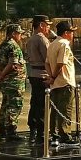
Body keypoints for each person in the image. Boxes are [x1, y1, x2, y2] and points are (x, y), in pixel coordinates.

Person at [45, 21, 79, 145]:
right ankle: (65, 134)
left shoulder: (52, 44)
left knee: (55, 110)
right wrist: (53, 76)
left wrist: (51, 77)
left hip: (56, 83)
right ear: (66, 33)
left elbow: (47, 63)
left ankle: (54, 134)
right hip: (65, 81)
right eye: (71, 32)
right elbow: (61, 63)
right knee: (65, 110)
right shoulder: (64, 44)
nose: (72, 35)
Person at [0, 24, 27, 142]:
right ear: (13, 33)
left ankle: (2, 130)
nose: (21, 36)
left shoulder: (2, 46)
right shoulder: (14, 46)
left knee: (5, 105)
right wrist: (2, 75)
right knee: (14, 105)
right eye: (19, 33)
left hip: (5, 82)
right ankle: (11, 131)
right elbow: (12, 64)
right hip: (14, 82)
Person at [24, 15, 52, 143]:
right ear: (41, 25)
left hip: (34, 74)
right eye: (47, 25)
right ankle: (42, 133)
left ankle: (33, 129)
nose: (48, 28)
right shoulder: (42, 39)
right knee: (42, 105)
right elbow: (49, 58)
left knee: (34, 103)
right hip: (43, 75)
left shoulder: (30, 40)